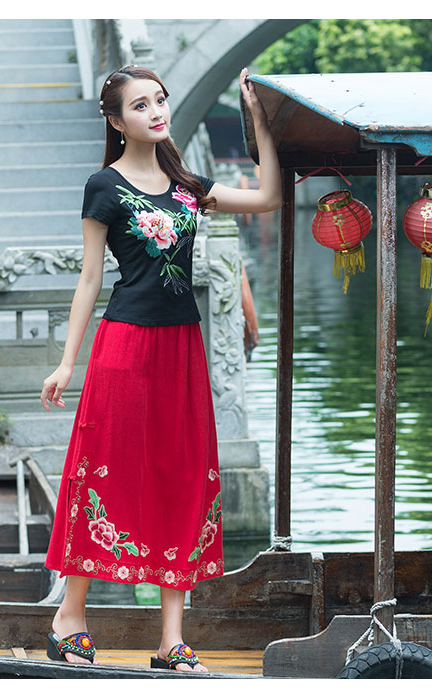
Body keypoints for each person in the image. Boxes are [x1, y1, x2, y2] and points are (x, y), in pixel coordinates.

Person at [40, 64, 281, 672]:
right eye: (140, 105)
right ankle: (70, 614)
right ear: (117, 121)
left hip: (180, 348)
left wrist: (258, 119)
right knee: (105, 468)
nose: (156, 111)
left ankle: (172, 639)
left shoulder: (188, 186)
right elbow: (90, 280)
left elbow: (269, 198)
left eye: (160, 100)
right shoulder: (103, 186)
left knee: (182, 475)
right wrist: (67, 363)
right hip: (124, 346)